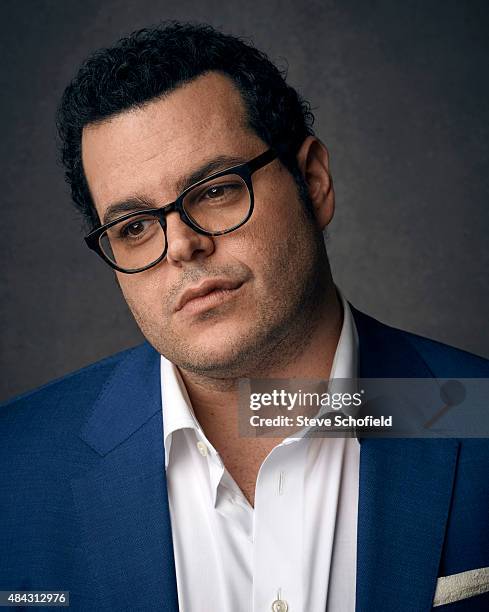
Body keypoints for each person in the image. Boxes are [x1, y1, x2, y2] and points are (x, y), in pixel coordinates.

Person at [1, 22, 488, 612]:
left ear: (313, 182)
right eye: (133, 227)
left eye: (213, 191)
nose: (181, 245)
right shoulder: (13, 471)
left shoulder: (474, 412)